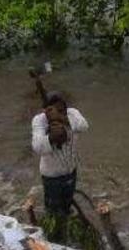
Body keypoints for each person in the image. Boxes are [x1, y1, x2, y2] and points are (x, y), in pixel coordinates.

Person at [30, 72, 89, 235]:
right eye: (53, 109)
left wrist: (63, 119)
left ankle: (67, 228)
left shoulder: (72, 113)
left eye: (61, 108)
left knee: (67, 204)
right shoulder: (39, 120)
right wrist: (51, 138)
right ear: (46, 111)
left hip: (71, 170)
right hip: (52, 177)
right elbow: (37, 147)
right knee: (53, 212)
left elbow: (84, 126)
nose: (59, 111)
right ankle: (55, 236)